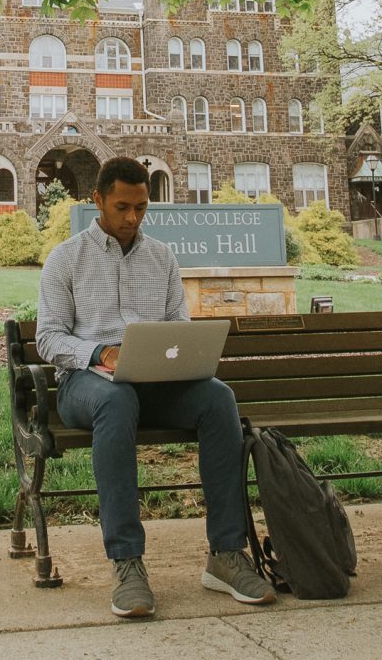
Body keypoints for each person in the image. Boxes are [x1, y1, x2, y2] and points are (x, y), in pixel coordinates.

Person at [37, 156, 275, 619]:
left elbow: (177, 327)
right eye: (122, 207)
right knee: (117, 398)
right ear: (98, 200)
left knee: (218, 398)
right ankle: (126, 562)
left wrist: (179, 356)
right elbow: (48, 338)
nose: (132, 218)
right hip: (86, 385)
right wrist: (100, 353)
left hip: (154, 383)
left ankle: (226, 554)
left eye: (141, 208)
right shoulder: (66, 258)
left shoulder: (161, 257)